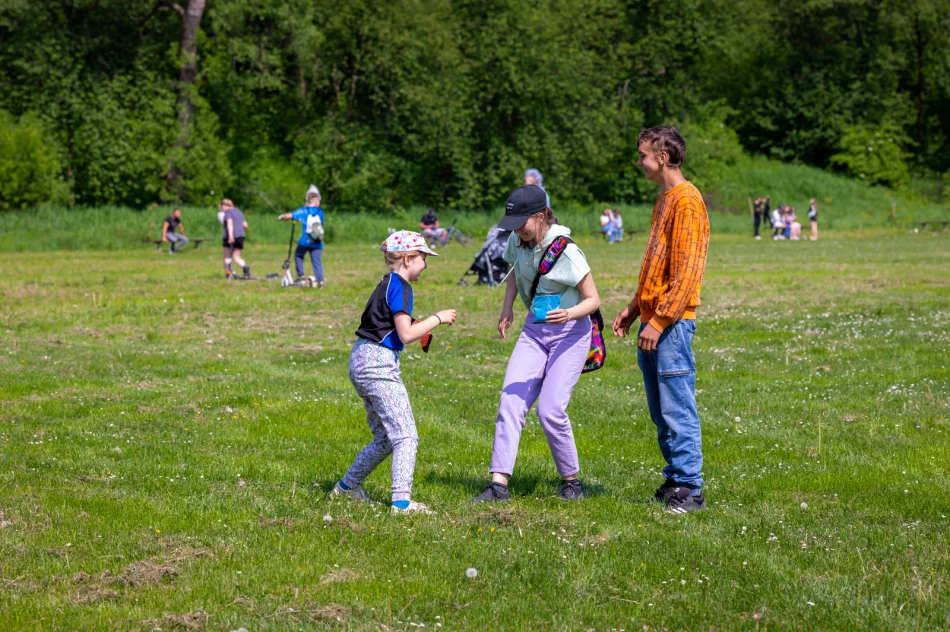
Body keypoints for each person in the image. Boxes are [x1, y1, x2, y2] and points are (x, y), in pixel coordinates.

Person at [473, 185, 601, 504]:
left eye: (522, 222)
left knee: (550, 410)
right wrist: (507, 309)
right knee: (510, 402)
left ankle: (571, 482)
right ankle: (498, 485)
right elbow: (515, 271)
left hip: (570, 331)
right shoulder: (519, 239)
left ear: (541, 216)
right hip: (534, 330)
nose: (516, 229)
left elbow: (594, 299)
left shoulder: (566, 250)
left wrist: (568, 313)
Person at [612, 126, 710, 514]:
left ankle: (691, 487)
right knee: (660, 408)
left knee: (676, 405)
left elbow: (687, 273)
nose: (640, 162)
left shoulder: (687, 201)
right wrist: (636, 307)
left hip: (670, 326)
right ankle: (675, 479)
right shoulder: (664, 200)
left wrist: (659, 321)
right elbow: (658, 265)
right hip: (653, 320)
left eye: (643, 156)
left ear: (663, 157)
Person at [332, 231, 457, 514]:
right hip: (377, 364)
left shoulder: (387, 283)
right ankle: (401, 503)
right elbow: (406, 334)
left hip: (361, 358)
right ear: (408, 258)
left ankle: (346, 489)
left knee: (386, 438)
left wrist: (416, 324)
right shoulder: (400, 286)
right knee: (406, 436)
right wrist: (437, 319)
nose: (425, 264)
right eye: (423, 258)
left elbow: (385, 321)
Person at [278, 185, 326, 287]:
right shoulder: (320, 212)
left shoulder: (304, 210)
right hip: (317, 241)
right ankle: (320, 281)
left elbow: (290, 215)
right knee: (316, 261)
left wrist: (282, 217)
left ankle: (301, 276)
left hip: (306, 240)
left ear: (308, 200)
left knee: (298, 255)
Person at [219, 198, 250, 280]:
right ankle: (245, 267)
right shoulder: (239, 212)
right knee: (236, 257)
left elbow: (230, 223)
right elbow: (245, 225)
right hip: (241, 236)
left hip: (231, 236)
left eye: (221, 206)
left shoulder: (227, 213)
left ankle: (228, 273)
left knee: (227, 256)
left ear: (224, 205)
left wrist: (230, 236)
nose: (221, 209)